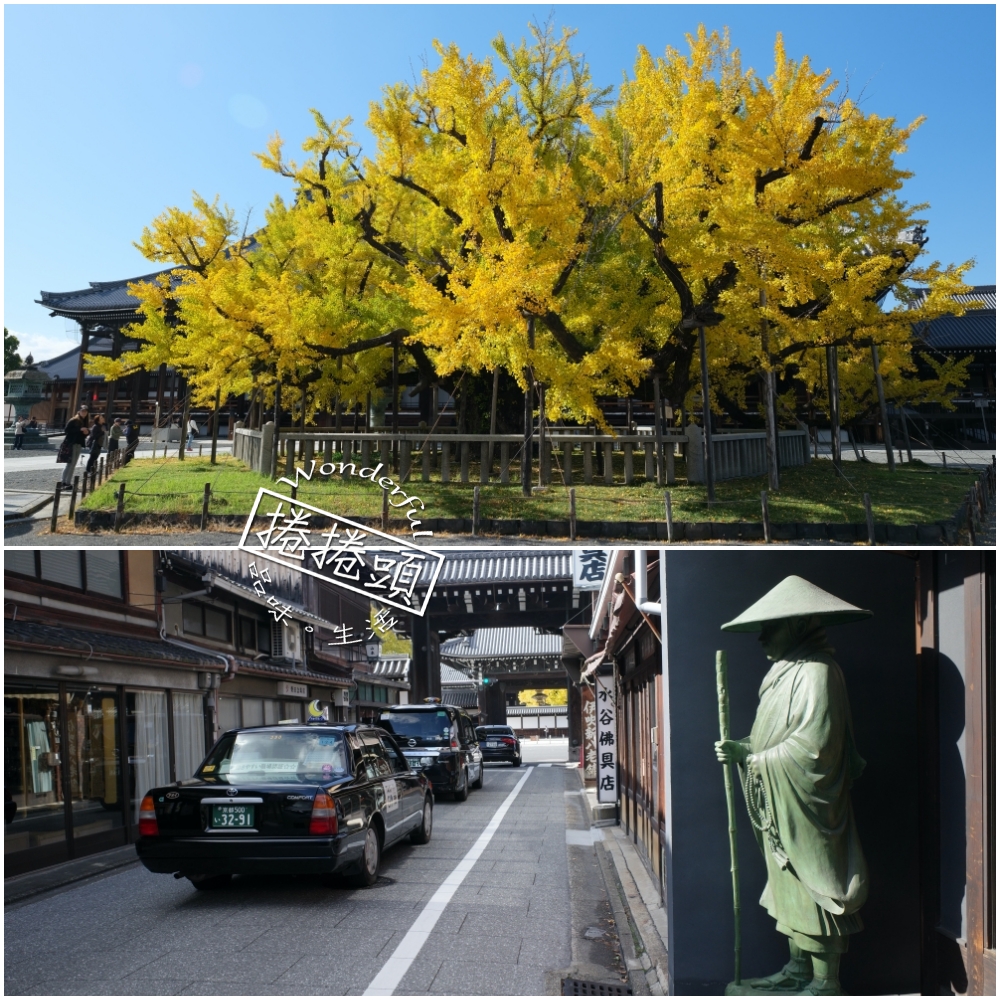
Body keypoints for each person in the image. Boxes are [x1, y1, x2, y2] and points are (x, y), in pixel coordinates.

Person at [715, 575, 872, 997]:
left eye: (773, 626)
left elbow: (815, 748)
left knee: (813, 882)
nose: (763, 636)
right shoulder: (781, 674)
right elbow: (776, 735)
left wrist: (751, 759)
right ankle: (798, 969)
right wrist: (742, 746)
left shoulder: (819, 672)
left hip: (808, 801)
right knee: (787, 886)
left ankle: (826, 980)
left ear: (800, 625)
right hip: (778, 800)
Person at [59, 406, 89, 485]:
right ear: (79, 411)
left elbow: (82, 434)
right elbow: (66, 430)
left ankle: (67, 481)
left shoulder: (84, 421)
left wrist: (86, 432)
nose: (84, 413)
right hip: (71, 443)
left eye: (85, 411)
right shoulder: (74, 420)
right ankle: (64, 481)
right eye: (82, 411)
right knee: (70, 463)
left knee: (73, 464)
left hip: (78, 444)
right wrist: (79, 429)